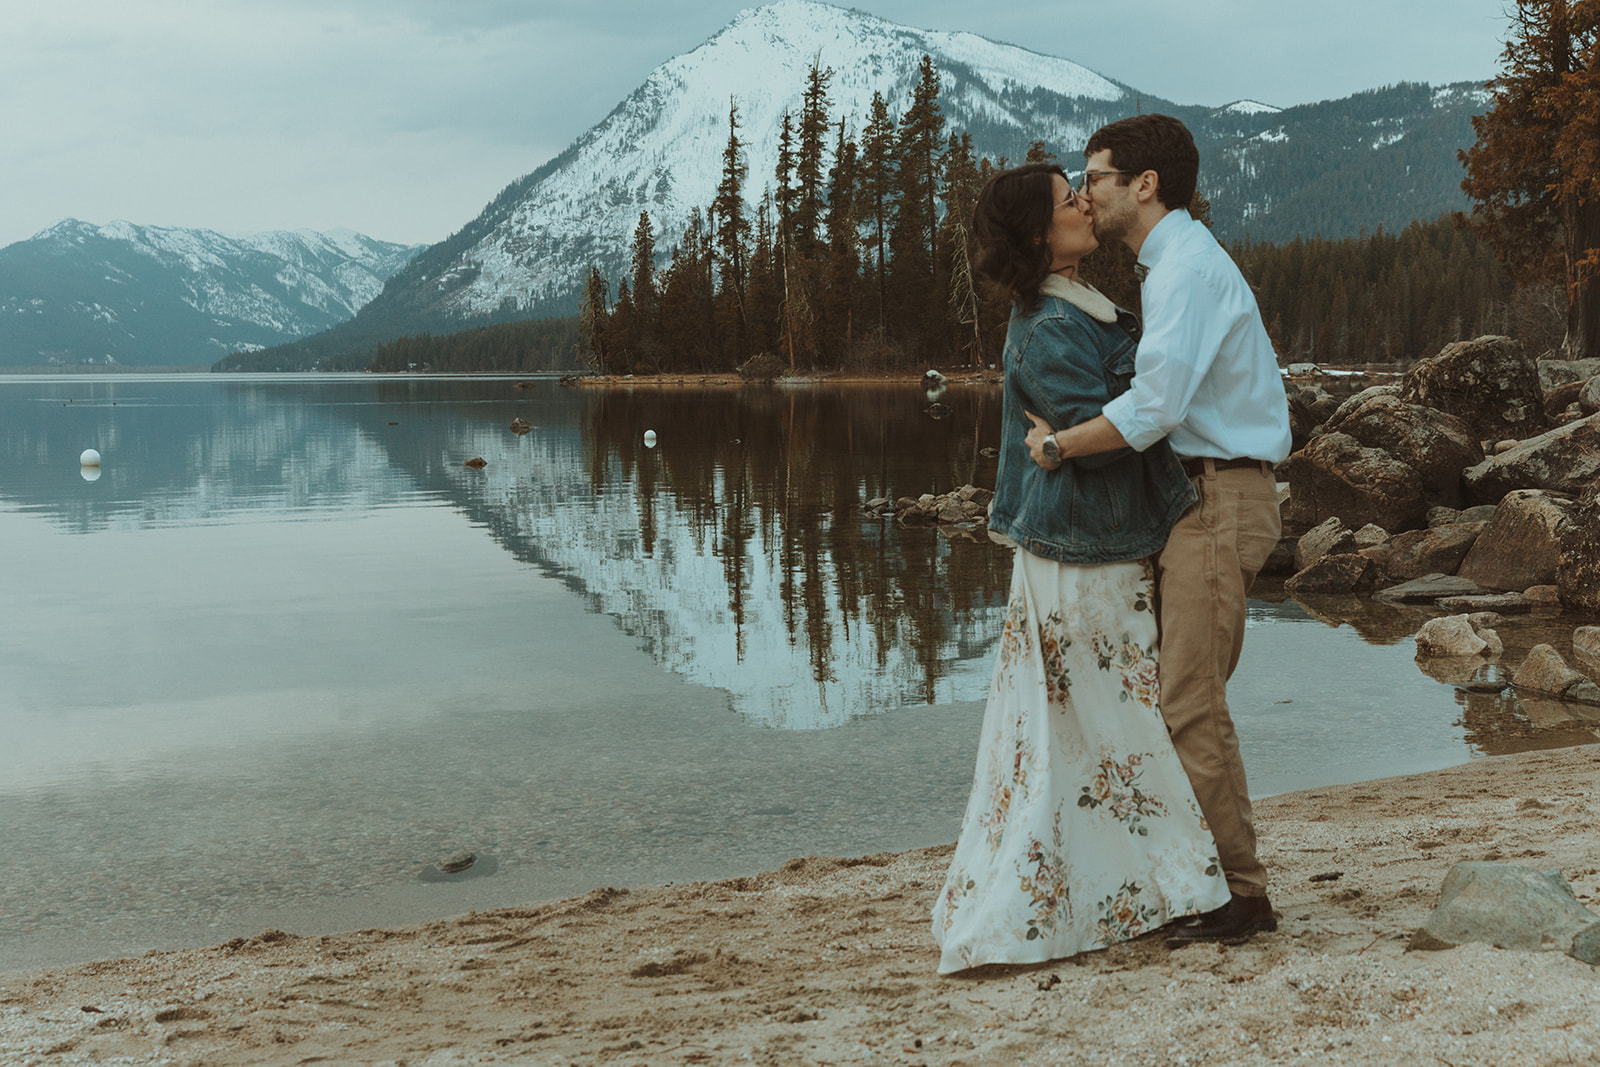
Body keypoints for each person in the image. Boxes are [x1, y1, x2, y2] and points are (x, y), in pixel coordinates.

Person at [931, 163, 1229, 974]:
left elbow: (1118, 419)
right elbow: (1101, 444)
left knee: (1096, 727)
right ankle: (1118, 892)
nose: (1085, 203)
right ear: (1039, 233)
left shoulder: (1073, 306)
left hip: (1091, 549)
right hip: (1081, 557)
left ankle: (1136, 887)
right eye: (1070, 199)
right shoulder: (1048, 327)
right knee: (1103, 726)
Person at [1024, 115, 1292, 944]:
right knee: (1179, 695)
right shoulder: (1175, 264)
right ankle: (1202, 880)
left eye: (1095, 176)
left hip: (1216, 500)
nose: (1086, 191)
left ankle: (1242, 895)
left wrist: (1060, 445)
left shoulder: (1183, 271)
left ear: (1144, 184)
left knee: (1185, 697)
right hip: (1198, 499)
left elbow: (1155, 409)